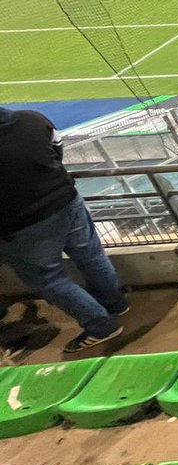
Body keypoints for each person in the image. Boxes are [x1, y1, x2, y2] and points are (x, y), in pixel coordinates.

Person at [0, 107, 128, 352]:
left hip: (23, 226)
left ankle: (101, 326)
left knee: (50, 280)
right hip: (66, 200)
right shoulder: (32, 119)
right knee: (92, 256)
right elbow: (57, 152)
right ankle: (116, 303)